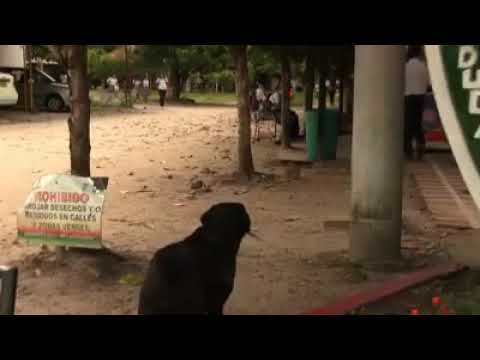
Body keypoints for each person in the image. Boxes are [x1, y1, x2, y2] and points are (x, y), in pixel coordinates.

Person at [405, 45, 430, 161]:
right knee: (417, 122)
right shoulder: (424, 67)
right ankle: (421, 146)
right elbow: (429, 84)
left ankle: (408, 150)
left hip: (408, 97)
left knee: (408, 123)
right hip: (421, 97)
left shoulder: (404, 67)